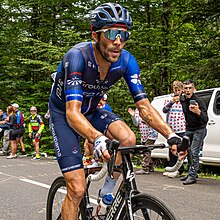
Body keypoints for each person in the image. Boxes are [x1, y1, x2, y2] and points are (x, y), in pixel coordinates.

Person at [49, 3, 185, 219]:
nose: (118, 42)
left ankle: (107, 191)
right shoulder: (77, 56)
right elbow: (72, 113)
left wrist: (171, 134)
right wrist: (97, 137)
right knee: (76, 188)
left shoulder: (126, 60)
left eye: (123, 34)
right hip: (65, 114)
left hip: (94, 108)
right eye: (111, 33)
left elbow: (144, 107)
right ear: (95, 35)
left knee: (128, 138)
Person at [180, 80, 208, 185]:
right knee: (188, 151)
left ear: (193, 89)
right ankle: (191, 173)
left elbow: (205, 119)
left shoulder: (199, 101)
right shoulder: (182, 99)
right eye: (186, 88)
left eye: (190, 88)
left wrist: (198, 112)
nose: (188, 90)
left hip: (199, 129)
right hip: (189, 129)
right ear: (183, 90)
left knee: (195, 152)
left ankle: (192, 176)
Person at [162, 80, 186, 178]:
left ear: (181, 90)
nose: (176, 91)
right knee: (171, 149)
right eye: (175, 89)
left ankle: (179, 170)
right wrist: (171, 102)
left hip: (182, 128)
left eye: (178, 90)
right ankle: (172, 167)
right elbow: (164, 110)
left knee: (180, 149)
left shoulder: (184, 100)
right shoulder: (169, 99)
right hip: (171, 129)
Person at [83, 94, 112, 166]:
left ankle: (96, 161)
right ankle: (89, 160)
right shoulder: (97, 106)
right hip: (94, 127)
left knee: (91, 144)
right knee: (87, 145)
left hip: (102, 128)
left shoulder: (106, 107)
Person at [128, 108, 158, 174]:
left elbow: (154, 121)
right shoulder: (136, 110)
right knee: (146, 150)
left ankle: (145, 168)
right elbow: (136, 124)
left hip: (151, 133)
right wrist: (133, 116)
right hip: (144, 134)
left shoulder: (148, 109)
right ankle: (150, 166)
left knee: (146, 150)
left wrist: (146, 121)